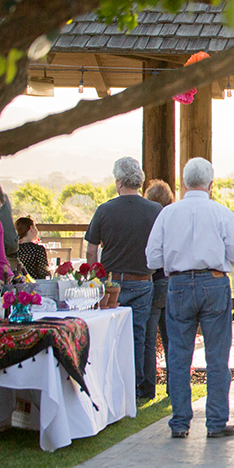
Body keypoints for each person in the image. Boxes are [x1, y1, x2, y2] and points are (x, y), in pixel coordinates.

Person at [146, 157, 234, 439]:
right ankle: (216, 422)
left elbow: (152, 257)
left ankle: (179, 422)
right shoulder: (221, 213)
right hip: (214, 282)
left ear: (183, 183)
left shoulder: (167, 214)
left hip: (177, 283)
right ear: (211, 185)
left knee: (178, 356)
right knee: (217, 357)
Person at [86, 157, 162, 400]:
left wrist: (92, 277)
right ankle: (135, 387)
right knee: (138, 336)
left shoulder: (104, 210)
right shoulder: (155, 210)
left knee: (108, 335)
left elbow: (90, 250)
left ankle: (109, 387)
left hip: (111, 283)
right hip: (142, 281)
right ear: (139, 181)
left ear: (119, 182)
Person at [143, 179, 175, 392]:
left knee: (149, 337)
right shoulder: (172, 219)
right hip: (170, 280)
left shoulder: (146, 220)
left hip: (151, 279)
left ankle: (148, 385)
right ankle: (174, 384)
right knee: (171, 336)